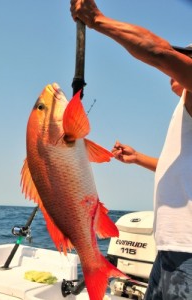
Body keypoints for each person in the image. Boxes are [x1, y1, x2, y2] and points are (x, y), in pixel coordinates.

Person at [70, 1, 192, 299]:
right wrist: (138, 159)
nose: (177, 63)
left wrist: (96, 20)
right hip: (169, 250)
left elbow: (158, 52)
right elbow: (177, 166)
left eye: (186, 57)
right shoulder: (184, 110)